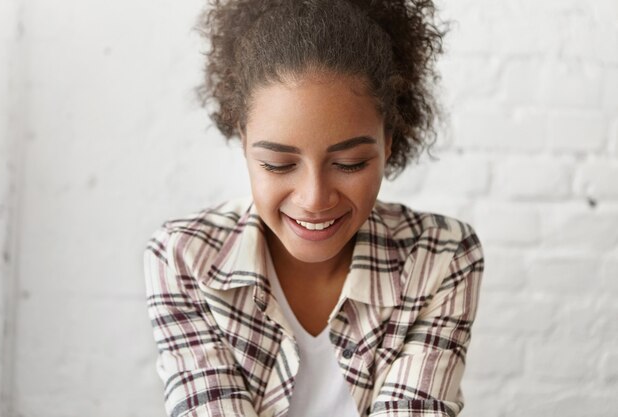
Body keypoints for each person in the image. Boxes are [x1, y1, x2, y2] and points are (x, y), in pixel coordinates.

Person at [143, 1, 484, 416]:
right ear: (244, 140)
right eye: (279, 164)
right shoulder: (184, 257)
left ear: (388, 142)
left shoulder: (441, 257)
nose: (314, 198)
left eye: (350, 163)